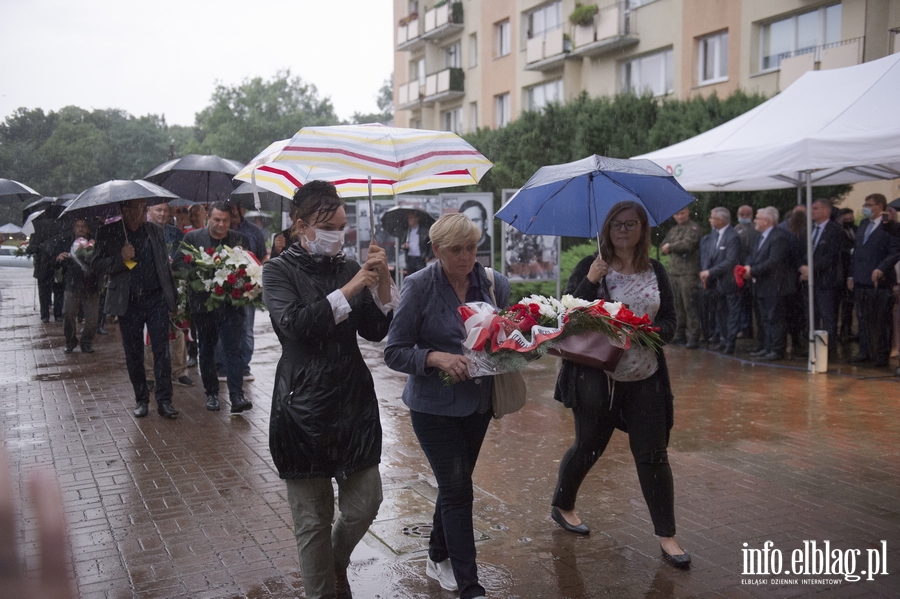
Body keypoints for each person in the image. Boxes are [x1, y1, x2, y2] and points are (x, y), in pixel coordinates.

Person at [262, 181, 396, 599]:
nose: (339, 235)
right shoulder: (278, 271)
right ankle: (322, 589)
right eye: (329, 227)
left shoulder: (347, 265)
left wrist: (384, 284)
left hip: (352, 401)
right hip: (300, 406)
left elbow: (376, 331)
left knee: (365, 502)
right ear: (301, 226)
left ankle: (335, 561)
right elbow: (297, 326)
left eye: (342, 226)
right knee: (312, 520)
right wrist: (354, 287)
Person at [550, 201, 688, 569]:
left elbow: (671, 320)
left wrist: (652, 334)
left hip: (646, 376)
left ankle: (667, 535)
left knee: (653, 455)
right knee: (589, 447)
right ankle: (563, 503)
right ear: (606, 230)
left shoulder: (656, 270)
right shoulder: (591, 267)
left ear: (643, 229)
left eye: (630, 224)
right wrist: (592, 279)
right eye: (615, 225)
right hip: (598, 377)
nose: (622, 230)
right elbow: (566, 318)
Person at [385, 212, 511, 599]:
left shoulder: (493, 284)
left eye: (471, 248)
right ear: (437, 250)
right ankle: (469, 584)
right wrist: (435, 358)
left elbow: (506, 336)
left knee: (454, 485)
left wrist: (518, 344)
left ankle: (436, 554)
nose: (465, 257)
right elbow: (394, 351)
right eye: (455, 250)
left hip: (478, 405)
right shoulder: (419, 286)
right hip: (432, 407)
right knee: (458, 490)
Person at [92, 199, 179, 419]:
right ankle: (141, 399)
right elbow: (97, 265)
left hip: (156, 299)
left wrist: (172, 299)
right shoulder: (108, 232)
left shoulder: (154, 231)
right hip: (128, 302)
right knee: (134, 353)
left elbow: (163, 266)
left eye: (145, 208)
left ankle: (164, 400)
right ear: (125, 211)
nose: (144, 213)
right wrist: (120, 258)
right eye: (140, 209)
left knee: (161, 351)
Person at [175, 203, 251, 413]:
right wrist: (199, 266)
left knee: (233, 350)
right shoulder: (193, 239)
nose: (221, 224)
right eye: (217, 220)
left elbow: (249, 266)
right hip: (202, 305)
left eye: (225, 220)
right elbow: (178, 265)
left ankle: (237, 396)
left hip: (231, 305)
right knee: (207, 350)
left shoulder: (238, 240)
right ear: (208, 217)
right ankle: (211, 394)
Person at [216, 203, 268, 382]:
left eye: (238, 207)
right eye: (231, 207)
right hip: (223, 287)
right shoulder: (221, 229)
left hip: (247, 288)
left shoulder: (254, 231)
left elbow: (262, 256)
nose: (235, 211)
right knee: (222, 327)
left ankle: (244, 366)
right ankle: (221, 367)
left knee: (246, 329)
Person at [847, 194, 900, 367]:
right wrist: (851, 275)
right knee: (863, 318)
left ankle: (881, 354)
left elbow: (895, 251)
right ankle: (865, 351)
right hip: (861, 279)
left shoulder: (891, 227)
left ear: (879, 206)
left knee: (881, 320)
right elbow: (856, 252)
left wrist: (881, 268)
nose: (865, 207)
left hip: (880, 281)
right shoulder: (863, 225)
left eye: (868, 204)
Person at [743, 207, 795, 361]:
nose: (754, 221)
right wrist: (747, 267)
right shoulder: (759, 237)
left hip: (775, 285)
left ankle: (777, 349)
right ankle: (766, 346)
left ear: (766, 221)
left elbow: (773, 262)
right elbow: (752, 255)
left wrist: (752, 271)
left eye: (757, 218)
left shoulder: (779, 237)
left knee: (775, 319)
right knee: (764, 318)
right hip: (761, 285)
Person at [799, 199, 846, 357]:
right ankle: (812, 346)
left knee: (827, 316)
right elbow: (802, 251)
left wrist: (811, 269)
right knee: (811, 315)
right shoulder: (809, 229)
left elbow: (831, 256)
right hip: (808, 281)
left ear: (826, 211)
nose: (812, 211)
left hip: (826, 281)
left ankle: (828, 349)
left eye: (815, 208)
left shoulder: (835, 230)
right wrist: (802, 267)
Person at [699, 207, 741, 354]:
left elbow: (730, 261)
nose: (709, 220)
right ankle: (723, 339)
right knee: (720, 312)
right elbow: (709, 256)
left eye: (712, 217)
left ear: (721, 220)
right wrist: (706, 273)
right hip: (716, 283)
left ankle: (730, 342)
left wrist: (710, 272)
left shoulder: (732, 236)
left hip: (729, 282)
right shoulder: (714, 236)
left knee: (731, 313)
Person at [660, 207, 702, 348]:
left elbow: (688, 244)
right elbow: (663, 246)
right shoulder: (673, 230)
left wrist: (671, 246)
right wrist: (667, 247)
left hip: (688, 273)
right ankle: (679, 334)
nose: (679, 216)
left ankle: (694, 336)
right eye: (677, 214)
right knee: (676, 305)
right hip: (675, 272)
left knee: (689, 305)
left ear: (688, 212)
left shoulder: (694, 228)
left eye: (682, 213)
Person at [58, 218, 100, 354]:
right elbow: (56, 263)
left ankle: (87, 342)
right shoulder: (65, 242)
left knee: (92, 319)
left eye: (83, 226)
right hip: (72, 283)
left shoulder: (96, 242)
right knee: (68, 314)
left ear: (88, 229)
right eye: (78, 226)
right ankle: (70, 341)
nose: (80, 229)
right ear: (73, 228)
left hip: (91, 285)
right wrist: (59, 258)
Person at [458, 199, 491, 265]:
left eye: (475, 220)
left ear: (485, 223)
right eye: (466, 221)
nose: (470, 225)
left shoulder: (493, 246)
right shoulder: (456, 248)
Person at [401, 211, 432, 275]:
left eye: (411, 218)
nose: (409, 220)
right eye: (408, 218)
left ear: (417, 219)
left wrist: (429, 256)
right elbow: (401, 244)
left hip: (420, 259)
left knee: (421, 277)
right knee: (410, 277)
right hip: (410, 259)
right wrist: (404, 246)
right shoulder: (407, 231)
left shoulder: (424, 231)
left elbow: (430, 244)